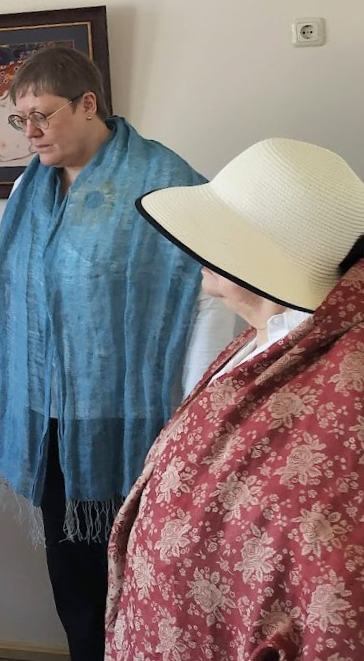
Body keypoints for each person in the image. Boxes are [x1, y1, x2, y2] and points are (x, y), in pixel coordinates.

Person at [0, 46, 238, 661]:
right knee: (72, 583)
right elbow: (16, 301)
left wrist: (194, 412)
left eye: (42, 115)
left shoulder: (168, 184)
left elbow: (207, 299)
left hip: (136, 422)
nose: (30, 132)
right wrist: (2, 391)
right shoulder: (28, 190)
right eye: (21, 119)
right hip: (48, 417)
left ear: (88, 104)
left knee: (137, 581)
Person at [106, 138, 364, 658]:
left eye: (217, 233)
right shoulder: (267, 337)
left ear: (258, 256)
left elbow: (331, 575)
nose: (196, 249)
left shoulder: (344, 380)